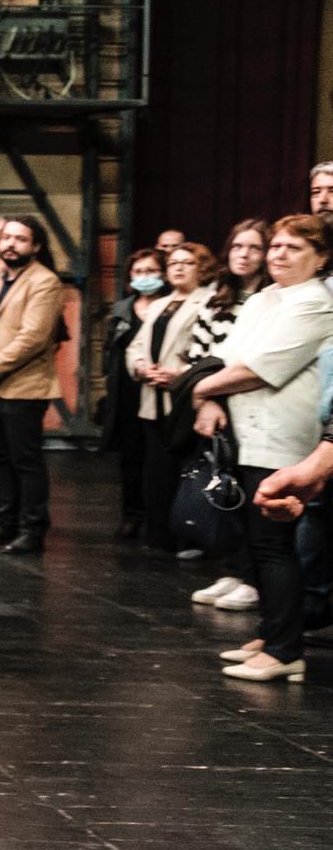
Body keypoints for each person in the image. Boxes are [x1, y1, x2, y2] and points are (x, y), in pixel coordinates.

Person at [192, 215, 333, 682]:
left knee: (275, 546)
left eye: (295, 248)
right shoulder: (262, 298)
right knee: (258, 544)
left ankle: (285, 650)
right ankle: (273, 633)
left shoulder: (316, 303)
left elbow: (259, 368)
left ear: (321, 259)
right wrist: (211, 394)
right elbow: (228, 357)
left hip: (281, 437)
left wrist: (197, 390)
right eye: (276, 246)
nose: (279, 254)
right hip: (246, 431)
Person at [185, 221, 269, 611]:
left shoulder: (271, 299)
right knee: (226, 488)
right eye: (237, 246)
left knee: (255, 493)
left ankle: (253, 577)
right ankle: (232, 569)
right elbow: (199, 356)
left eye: (254, 247)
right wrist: (207, 400)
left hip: (259, 402)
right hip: (219, 403)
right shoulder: (217, 299)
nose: (243, 254)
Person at [0, 214, 64, 554]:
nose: (10, 244)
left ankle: (32, 528)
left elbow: (33, 337)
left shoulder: (45, 281)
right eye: (7, 238)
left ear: (36, 246)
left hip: (24, 385)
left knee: (25, 460)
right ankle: (3, 521)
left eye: (20, 239)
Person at [126, 242, 216, 553]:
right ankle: (159, 535)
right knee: (156, 472)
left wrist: (179, 375)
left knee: (185, 469)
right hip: (153, 397)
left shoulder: (208, 301)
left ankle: (188, 535)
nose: (178, 267)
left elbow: (210, 351)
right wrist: (141, 367)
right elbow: (136, 346)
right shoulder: (159, 304)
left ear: (202, 268)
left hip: (185, 398)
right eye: (173, 262)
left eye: (187, 262)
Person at [102, 249, 166, 542]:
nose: (144, 277)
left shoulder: (170, 306)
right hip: (127, 391)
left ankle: (157, 516)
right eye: (139, 272)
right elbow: (111, 350)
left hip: (160, 388)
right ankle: (132, 514)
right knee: (130, 458)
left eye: (151, 271)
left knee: (157, 458)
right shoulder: (122, 310)